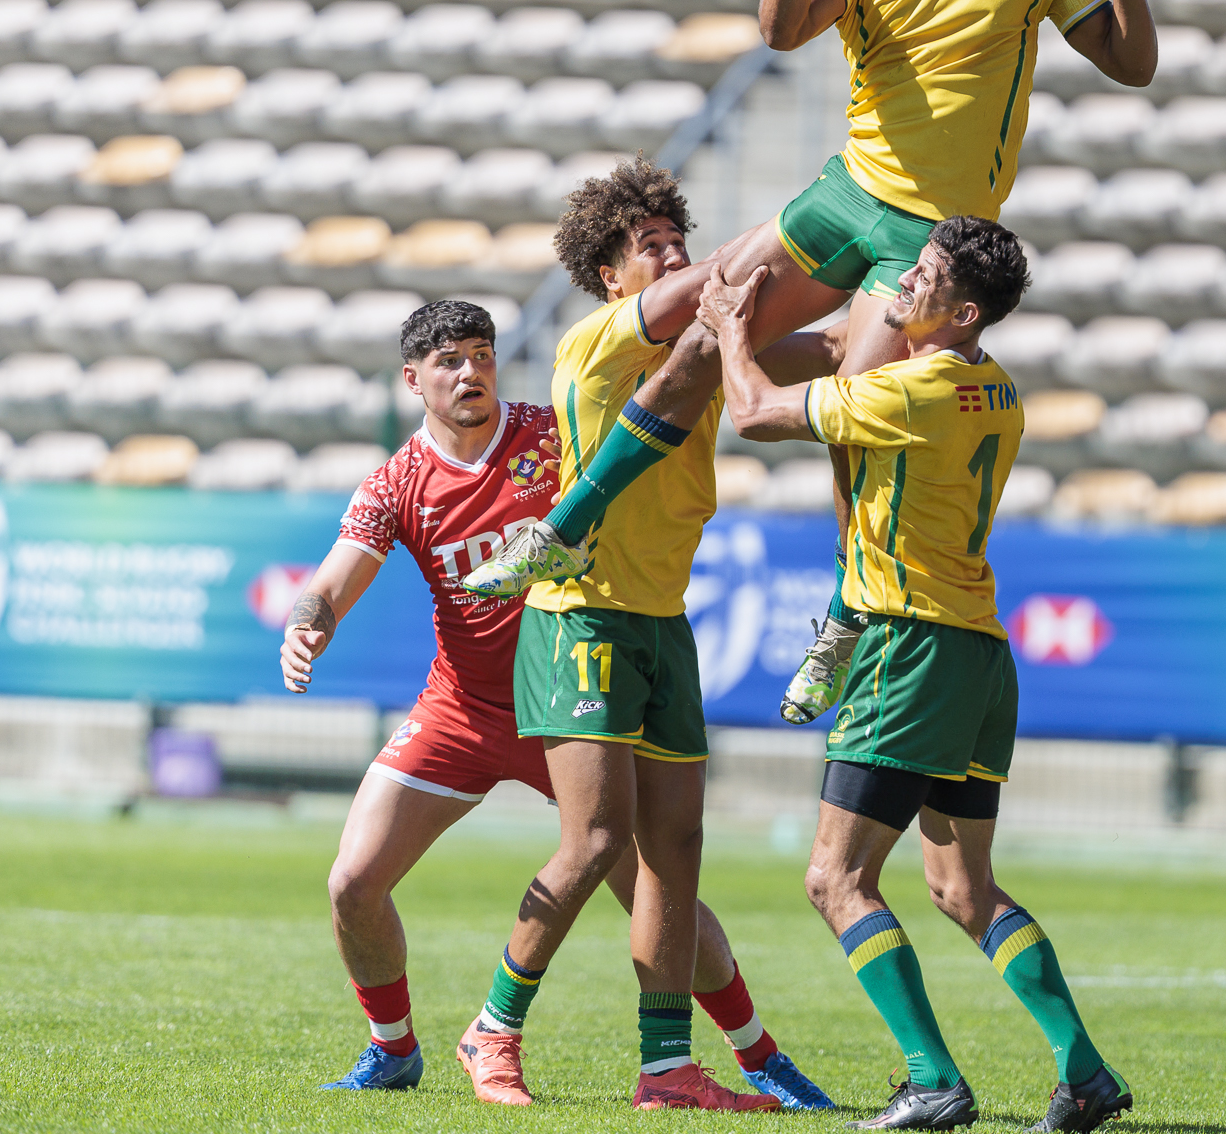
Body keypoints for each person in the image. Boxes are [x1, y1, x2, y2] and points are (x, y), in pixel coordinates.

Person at [462, 0, 1158, 729]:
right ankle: (567, 530)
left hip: (932, 244)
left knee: (850, 423)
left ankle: (839, 621)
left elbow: (1133, 64)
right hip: (843, 202)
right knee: (703, 340)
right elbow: (779, 28)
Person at [278, 296, 827, 1107]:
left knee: (658, 891)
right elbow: (330, 579)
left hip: (575, 700)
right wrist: (308, 625)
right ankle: (392, 1048)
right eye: (449, 362)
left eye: (482, 354)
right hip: (463, 710)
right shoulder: (398, 480)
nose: (471, 372)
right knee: (352, 882)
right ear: (412, 380)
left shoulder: (552, 431)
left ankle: (759, 1055)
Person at [699, 215, 1131, 1134]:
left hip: (910, 649)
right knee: (964, 890)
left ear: (963, 309)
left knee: (834, 879)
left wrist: (734, 331)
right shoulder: (997, 389)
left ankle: (932, 1079)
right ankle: (1084, 1072)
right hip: (979, 649)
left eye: (923, 273)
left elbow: (755, 413)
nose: (905, 281)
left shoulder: (918, 391)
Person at [460, 158, 843, 1113]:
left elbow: (833, 350)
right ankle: (491, 1031)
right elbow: (702, 303)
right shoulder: (595, 344)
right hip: (578, 614)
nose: (672, 258)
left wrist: (910, 323)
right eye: (651, 251)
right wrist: (749, 259)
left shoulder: (710, 354)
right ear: (611, 278)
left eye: (678, 240)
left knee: (676, 845)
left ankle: (666, 1069)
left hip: (661, 624)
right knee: (593, 842)